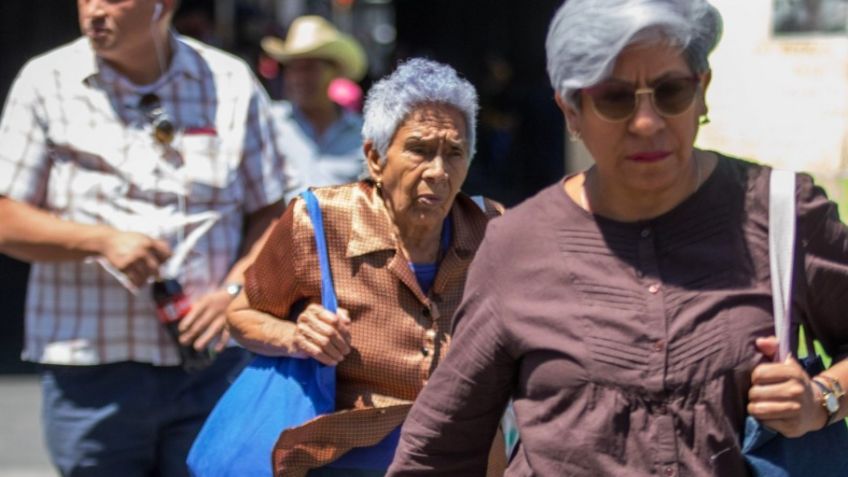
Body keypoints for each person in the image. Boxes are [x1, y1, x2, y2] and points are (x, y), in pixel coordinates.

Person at [388, 1, 848, 475]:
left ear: (703, 91)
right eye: (614, 97)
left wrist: (822, 400)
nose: (647, 123)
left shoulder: (779, 213)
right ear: (570, 111)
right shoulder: (516, 246)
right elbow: (439, 448)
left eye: (670, 92)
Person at [0, 0, 286, 475]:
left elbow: (274, 213)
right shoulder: (45, 81)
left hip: (211, 368)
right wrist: (102, 241)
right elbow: (6, 216)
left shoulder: (229, 81)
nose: (93, 11)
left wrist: (238, 292)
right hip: (92, 371)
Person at [227, 58, 506, 476]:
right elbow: (240, 316)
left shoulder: (492, 230)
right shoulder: (318, 221)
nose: (438, 172)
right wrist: (295, 335)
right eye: (420, 150)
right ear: (375, 157)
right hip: (342, 461)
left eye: (454, 154)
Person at [261, 15, 368, 201]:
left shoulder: (363, 135)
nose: (299, 78)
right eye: (293, 68)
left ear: (335, 70)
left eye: (310, 68)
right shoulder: (268, 124)